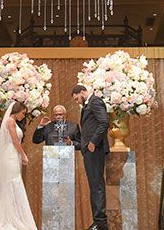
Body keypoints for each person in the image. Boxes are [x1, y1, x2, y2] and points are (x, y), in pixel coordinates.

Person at [72, 85, 109, 230]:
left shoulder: (95, 101)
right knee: (94, 185)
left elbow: (104, 123)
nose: (77, 102)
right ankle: (98, 221)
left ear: (81, 92)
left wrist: (93, 142)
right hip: (90, 150)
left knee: (96, 185)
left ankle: (100, 223)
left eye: (76, 98)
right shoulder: (89, 105)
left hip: (95, 149)